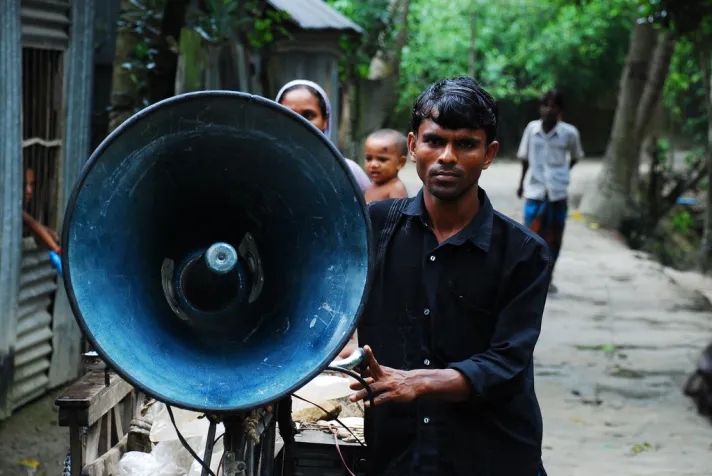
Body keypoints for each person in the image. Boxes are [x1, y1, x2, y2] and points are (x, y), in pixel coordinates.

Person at [348, 76, 550, 476]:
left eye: (466, 144)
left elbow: (507, 362)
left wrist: (417, 382)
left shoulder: (524, 253)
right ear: (412, 146)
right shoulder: (371, 229)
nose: (447, 157)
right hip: (397, 455)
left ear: (489, 153)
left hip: (490, 455)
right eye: (435, 141)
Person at [516, 89, 584, 294]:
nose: (548, 110)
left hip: (557, 193)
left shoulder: (569, 133)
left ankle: (548, 277)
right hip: (535, 191)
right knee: (529, 236)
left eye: (553, 106)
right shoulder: (532, 130)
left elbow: (575, 156)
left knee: (553, 238)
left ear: (560, 110)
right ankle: (529, 278)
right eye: (545, 105)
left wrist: (561, 174)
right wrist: (521, 184)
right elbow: (525, 158)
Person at [275, 80, 371, 193]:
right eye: (288, 114)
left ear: (325, 120)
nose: (298, 122)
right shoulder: (264, 169)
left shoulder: (348, 172)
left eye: (308, 115)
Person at [363, 128, 409, 203]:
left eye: (382, 159)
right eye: (369, 158)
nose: (373, 164)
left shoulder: (396, 188)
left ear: (400, 163)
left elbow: (399, 214)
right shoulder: (371, 185)